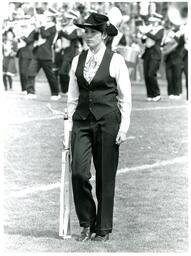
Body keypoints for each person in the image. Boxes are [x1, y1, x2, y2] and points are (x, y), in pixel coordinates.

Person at [67, 12, 132, 242]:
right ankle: (86, 222)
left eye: (92, 32)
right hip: (82, 122)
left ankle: (102, 228)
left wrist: (123, 128)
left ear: (104, 35)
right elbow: (72, 97)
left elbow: (125, 98)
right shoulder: (77, 60)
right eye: (85, 31)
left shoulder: (116, 60)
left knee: (105, 176)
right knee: (78, 173)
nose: (87, 36)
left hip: (108, 122)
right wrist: (68, 129)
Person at [26, 11, 60, 100]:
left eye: (48, 16)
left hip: (46, 54)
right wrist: (36, 28)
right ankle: (30, 92)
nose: (46, 17)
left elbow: (45, 35)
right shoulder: (43, 26)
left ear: (52, 17)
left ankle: (55, 93)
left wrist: (40, 25)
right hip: (37, 53)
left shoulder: (53, 27)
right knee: (31, 73)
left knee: (50, 76)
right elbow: (35, 38)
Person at [139, 13, 164, 101]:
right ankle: (150, 95)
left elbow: (156, 37)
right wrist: (142, 36)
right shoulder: (150, 29)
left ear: (158, 21)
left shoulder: (161, 29)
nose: (151, 22)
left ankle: (157, 94)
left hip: (155, 54)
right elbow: (143, 41)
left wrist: (146, 32)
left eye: (154, 20)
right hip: (147, 53)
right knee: (146, 74)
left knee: (151, 74)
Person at [162, 23, 185, 99]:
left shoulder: (181, 35)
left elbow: (180, 43)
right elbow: (163, 45)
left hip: (177, 58)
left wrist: (174, 36)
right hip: (168, 58)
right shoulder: (169, 34)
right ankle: (170, 93)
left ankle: (177, 93)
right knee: (169, 77)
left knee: (176, 76)